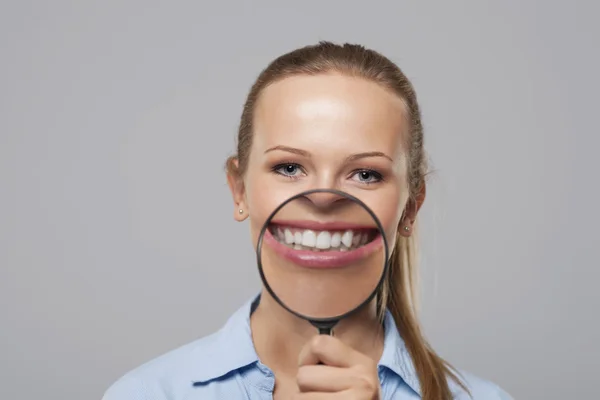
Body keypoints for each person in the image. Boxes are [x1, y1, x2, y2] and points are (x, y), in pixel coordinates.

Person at [102, 41, 512, 400]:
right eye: (289, 168)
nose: (321, 199)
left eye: (366, 174)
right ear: (239, 190)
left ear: (410, 207)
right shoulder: (146, 394)